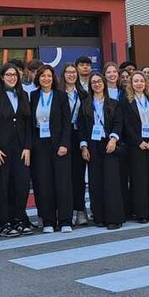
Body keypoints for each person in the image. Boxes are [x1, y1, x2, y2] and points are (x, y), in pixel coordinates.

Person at [0, 64, 33, 237]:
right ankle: (3, 221)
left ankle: (19, 218)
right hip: (1, 148)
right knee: (2, 185)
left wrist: (27, 147)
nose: (12, 77)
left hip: (21, 148)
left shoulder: (23, 95)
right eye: (8, 74)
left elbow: (28, 123)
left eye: (14, 75)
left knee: (21, 184)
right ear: (2, 77)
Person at [29, 64, 73, 233]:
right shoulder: (33, 96)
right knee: (44, 182)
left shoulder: (61, 96)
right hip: (40, 144)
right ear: (38, 78)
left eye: (48, 76)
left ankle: (65, 220)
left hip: (59, 144)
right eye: (42, 76)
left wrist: (64, 144)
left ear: (53, 78)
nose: (46, 79)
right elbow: (30, 123)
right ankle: (48, 221)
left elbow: (67, 123)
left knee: (62, 183)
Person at [79, 72, 123, 230]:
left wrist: (113, 139)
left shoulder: (114, 103)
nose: (96, 84)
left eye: (99, 81)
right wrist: (84, 146)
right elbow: (82, 128)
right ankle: (99, 216)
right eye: (93, 82)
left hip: (109, 143)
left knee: (111, 181)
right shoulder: (85, 104)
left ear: (104, 83)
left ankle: (114, 218)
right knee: (95, 181)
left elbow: (119, 123)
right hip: (92, 145)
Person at [120, 72, 149, 224]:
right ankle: (141, 213)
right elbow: (126, 125)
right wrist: (138, 141)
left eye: (141, 81)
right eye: (136, 81)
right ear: (131, 84)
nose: (139, 84)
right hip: (136, 146)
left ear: (146, 83)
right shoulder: (126, 101)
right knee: (139, 180)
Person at [60, 63, 89, 226]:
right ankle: (67, 210)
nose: (71, 75)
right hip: (63, 137)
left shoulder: (83, 94)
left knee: (78, 175)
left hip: (79, 135)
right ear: (63, 74)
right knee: (65, 176)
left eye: (73, 72)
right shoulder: (58, 93)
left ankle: (80, 209)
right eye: (68, 72)